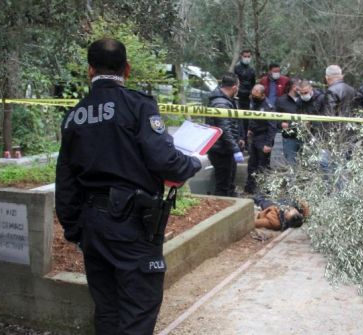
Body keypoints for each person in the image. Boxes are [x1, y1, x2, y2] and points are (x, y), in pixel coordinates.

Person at [55, 38, 202, 335]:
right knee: (138, 309)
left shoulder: (74, 116)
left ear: (89, 70)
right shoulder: (138, 106)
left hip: (93, 225)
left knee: (107, 310)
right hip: (133, 225)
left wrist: (76, 229)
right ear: (128, 69)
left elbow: (66, 180)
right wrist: (193, 163)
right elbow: (166, 162)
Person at [205, 73, 244, 197]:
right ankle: (222, 205)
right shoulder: (221, 103)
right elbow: (224, 129)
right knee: (223, 184)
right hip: (220, 150)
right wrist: (235, 149)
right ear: (234, 87)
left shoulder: (227, 101)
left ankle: (231, 200)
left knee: (229, 180)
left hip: (225, 149)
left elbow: (234, 123)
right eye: (238, 86)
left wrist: (239, 138)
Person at [244, 84, 277, 194]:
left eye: (256, 95)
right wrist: (250, 128)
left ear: (263, 95)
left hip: (264, 138)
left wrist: (269, 144)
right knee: (252, 164)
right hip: (254, 136)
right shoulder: (254, 101)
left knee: (263, 165)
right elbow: (252, 116)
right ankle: (250, 188)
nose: (253, 96)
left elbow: (272, 127)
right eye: (252, 94)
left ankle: (264, 190)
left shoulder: (268, 107)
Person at [275, 78, 302, 164]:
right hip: (289, 134)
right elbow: (274, 117)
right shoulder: (281, 100)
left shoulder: (304, 100)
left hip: (304, 133)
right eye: (300, 86)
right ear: (294, 87)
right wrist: (281, 124)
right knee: (290, 161)